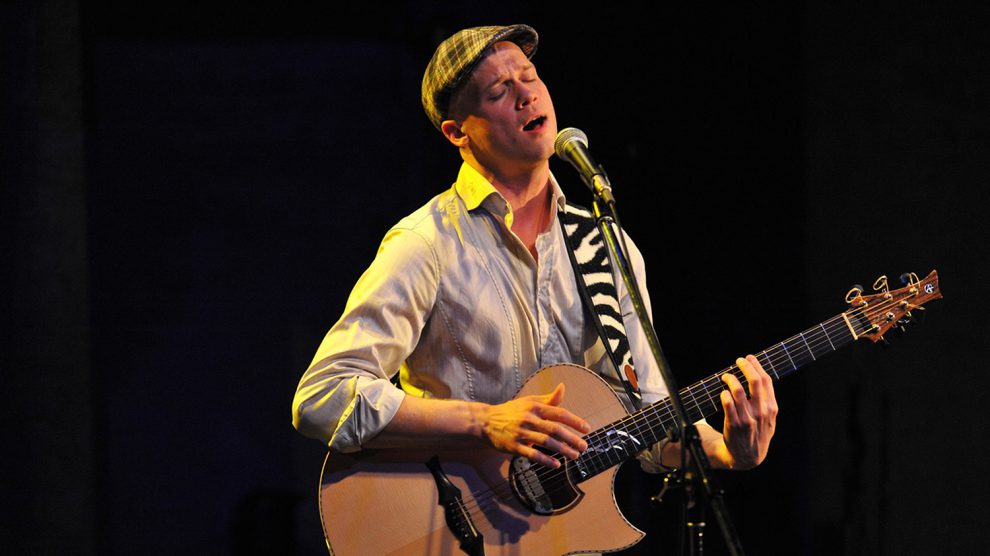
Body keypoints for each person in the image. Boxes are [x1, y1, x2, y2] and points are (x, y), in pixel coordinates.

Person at [292, 24, 776, 478]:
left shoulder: (608, 247)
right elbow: (322, 396)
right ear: (457, 132)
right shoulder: (426, 243)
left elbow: (645, 419)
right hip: (454, 524)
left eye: (530, 76)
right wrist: (486, 422)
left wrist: (725, 451)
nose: (527, 95)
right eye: (499, 92)